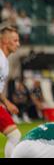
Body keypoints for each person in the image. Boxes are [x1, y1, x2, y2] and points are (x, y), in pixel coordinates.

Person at [0, 24, 21, 157]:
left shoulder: (4, 61)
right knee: (15, 136)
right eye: (15, 40)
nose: (18, 44)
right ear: (5, 41)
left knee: (15, 136)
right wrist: (7, 103)